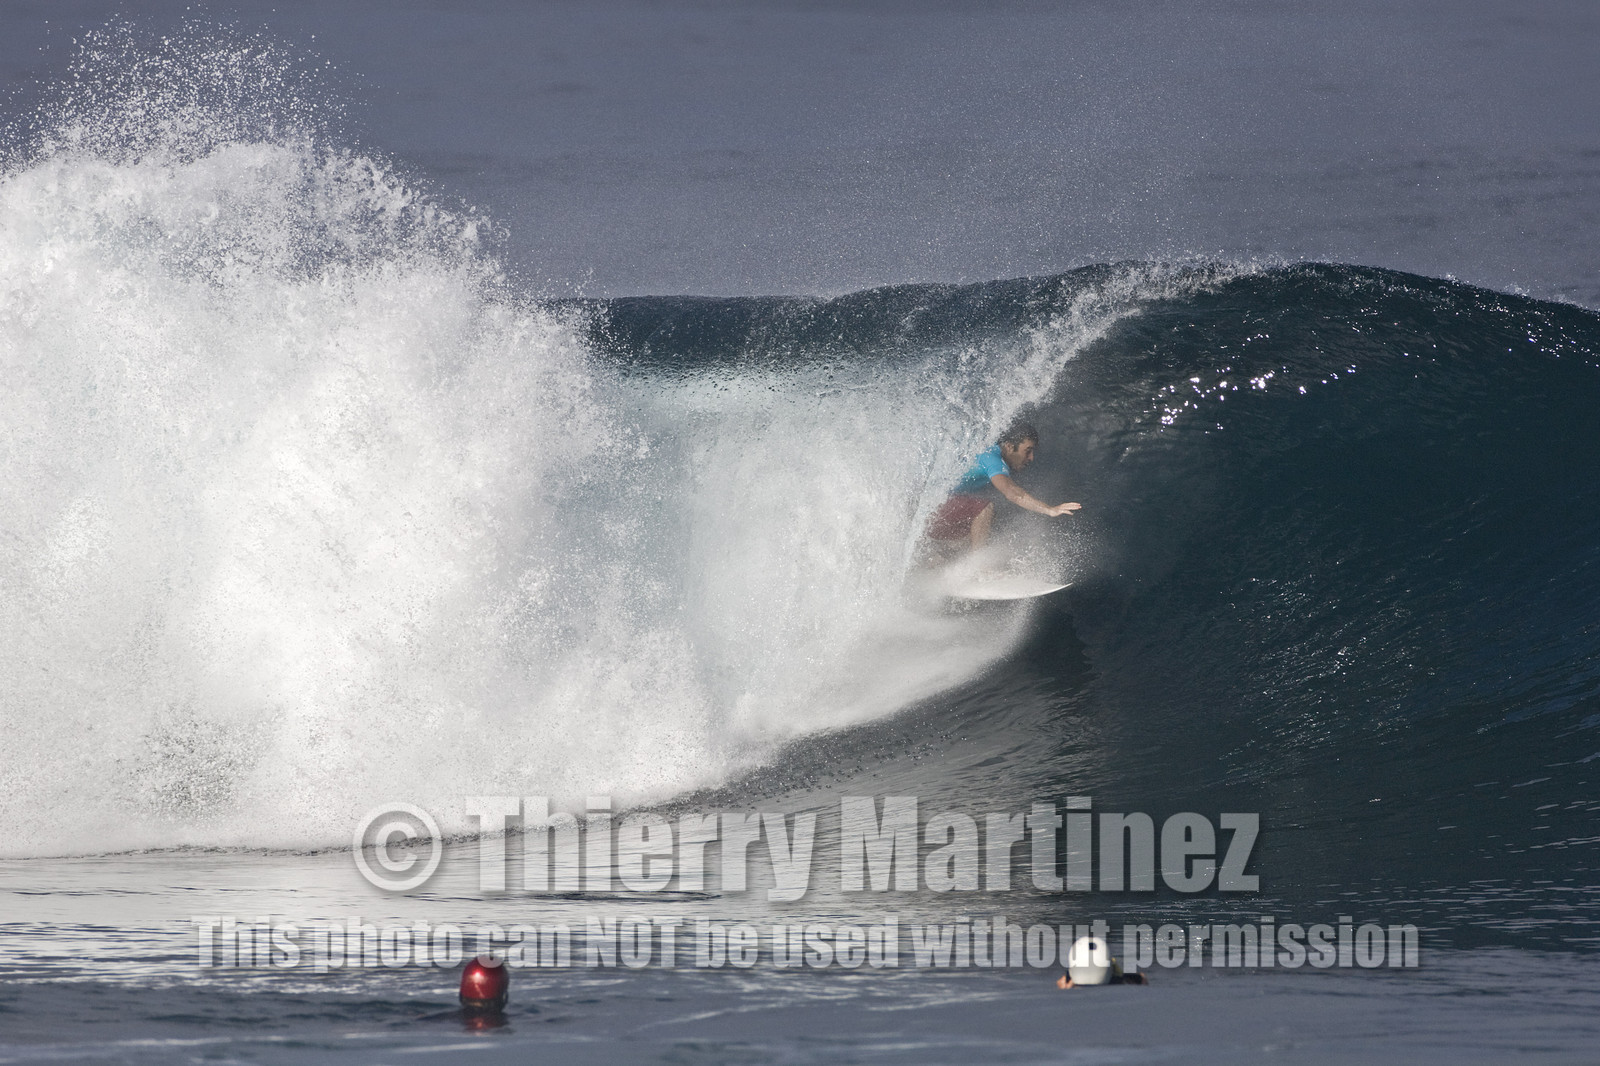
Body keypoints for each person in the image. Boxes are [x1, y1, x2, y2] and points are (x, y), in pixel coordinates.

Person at [926, 422, 1081, 551]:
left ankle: (947, 557)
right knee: (984, 509)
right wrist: (1050, 510)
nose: (1031, 458)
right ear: (1009, 447)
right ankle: (978, 566)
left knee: (989, 518)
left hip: (932, 512)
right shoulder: (993, 460)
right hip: (932, 511)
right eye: (1027, 451)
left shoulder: (987, 452)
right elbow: (1013, 493)